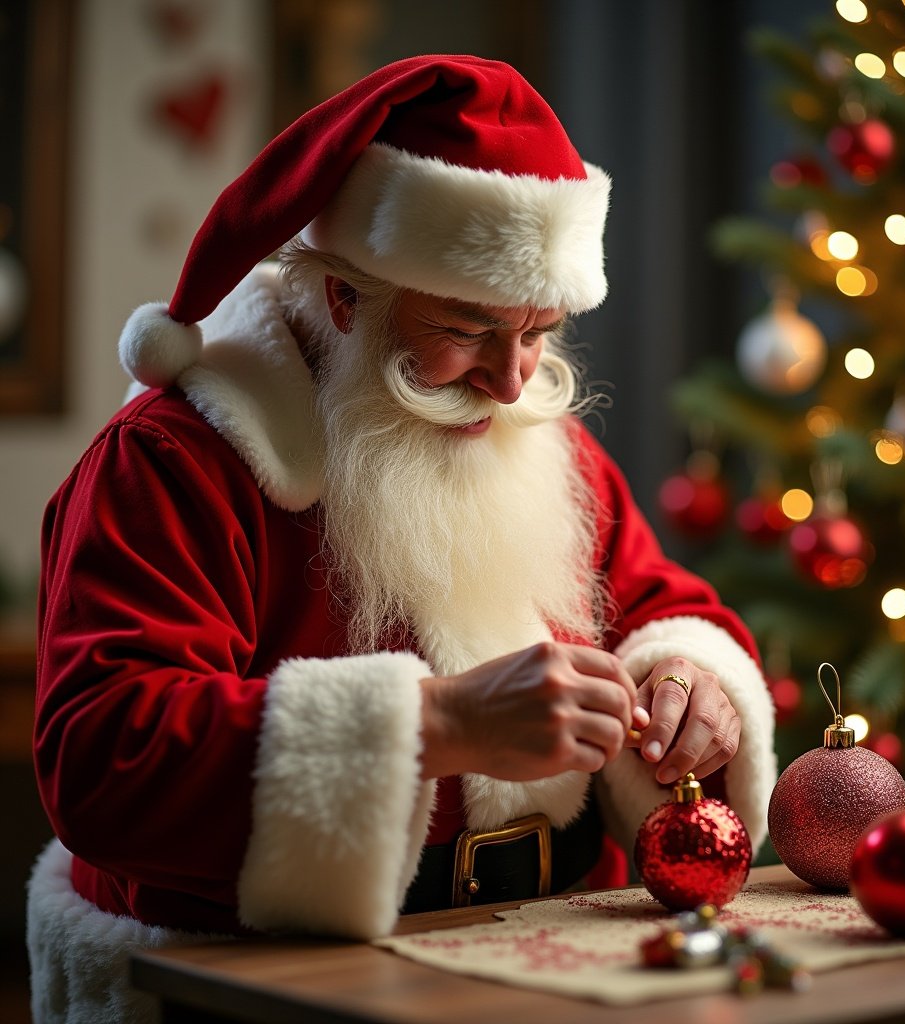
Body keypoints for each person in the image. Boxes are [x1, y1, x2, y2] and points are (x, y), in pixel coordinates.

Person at [27, 54, 776, 1023]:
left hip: (550, 956)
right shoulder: (171, 462)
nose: (513, 384)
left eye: (538, 331)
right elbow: (102, 760)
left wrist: (690, 685)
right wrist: (435, 726)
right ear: (345, 299)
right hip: (263, 983)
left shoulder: (539, 445)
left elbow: (663, 602)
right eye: (467, 329)